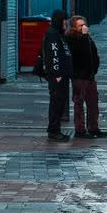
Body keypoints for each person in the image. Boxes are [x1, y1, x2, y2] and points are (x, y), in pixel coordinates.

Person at [65, 15, 107, 138]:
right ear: (74, 27)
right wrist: (83, 36)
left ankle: (94, 128)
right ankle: (80, 130)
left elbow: (93, 53)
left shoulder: (87, 38)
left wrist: (95, 68)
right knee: (79, 103)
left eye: (84, 24)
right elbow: (79, 53)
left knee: (93, 103)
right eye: (80, 25)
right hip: (79, 76)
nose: (84, 27)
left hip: (90, 76)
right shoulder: (71, 38)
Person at [43, 9, 72, 142]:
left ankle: (56, 129)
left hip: (62, 74)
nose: (66, 23)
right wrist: (57, 73)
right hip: (57, 76)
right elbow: (53, 55)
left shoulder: (59, 34)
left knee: (60, 102)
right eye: (64, 20)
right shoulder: (53, 34)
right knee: (56, 102)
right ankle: (54, 130)